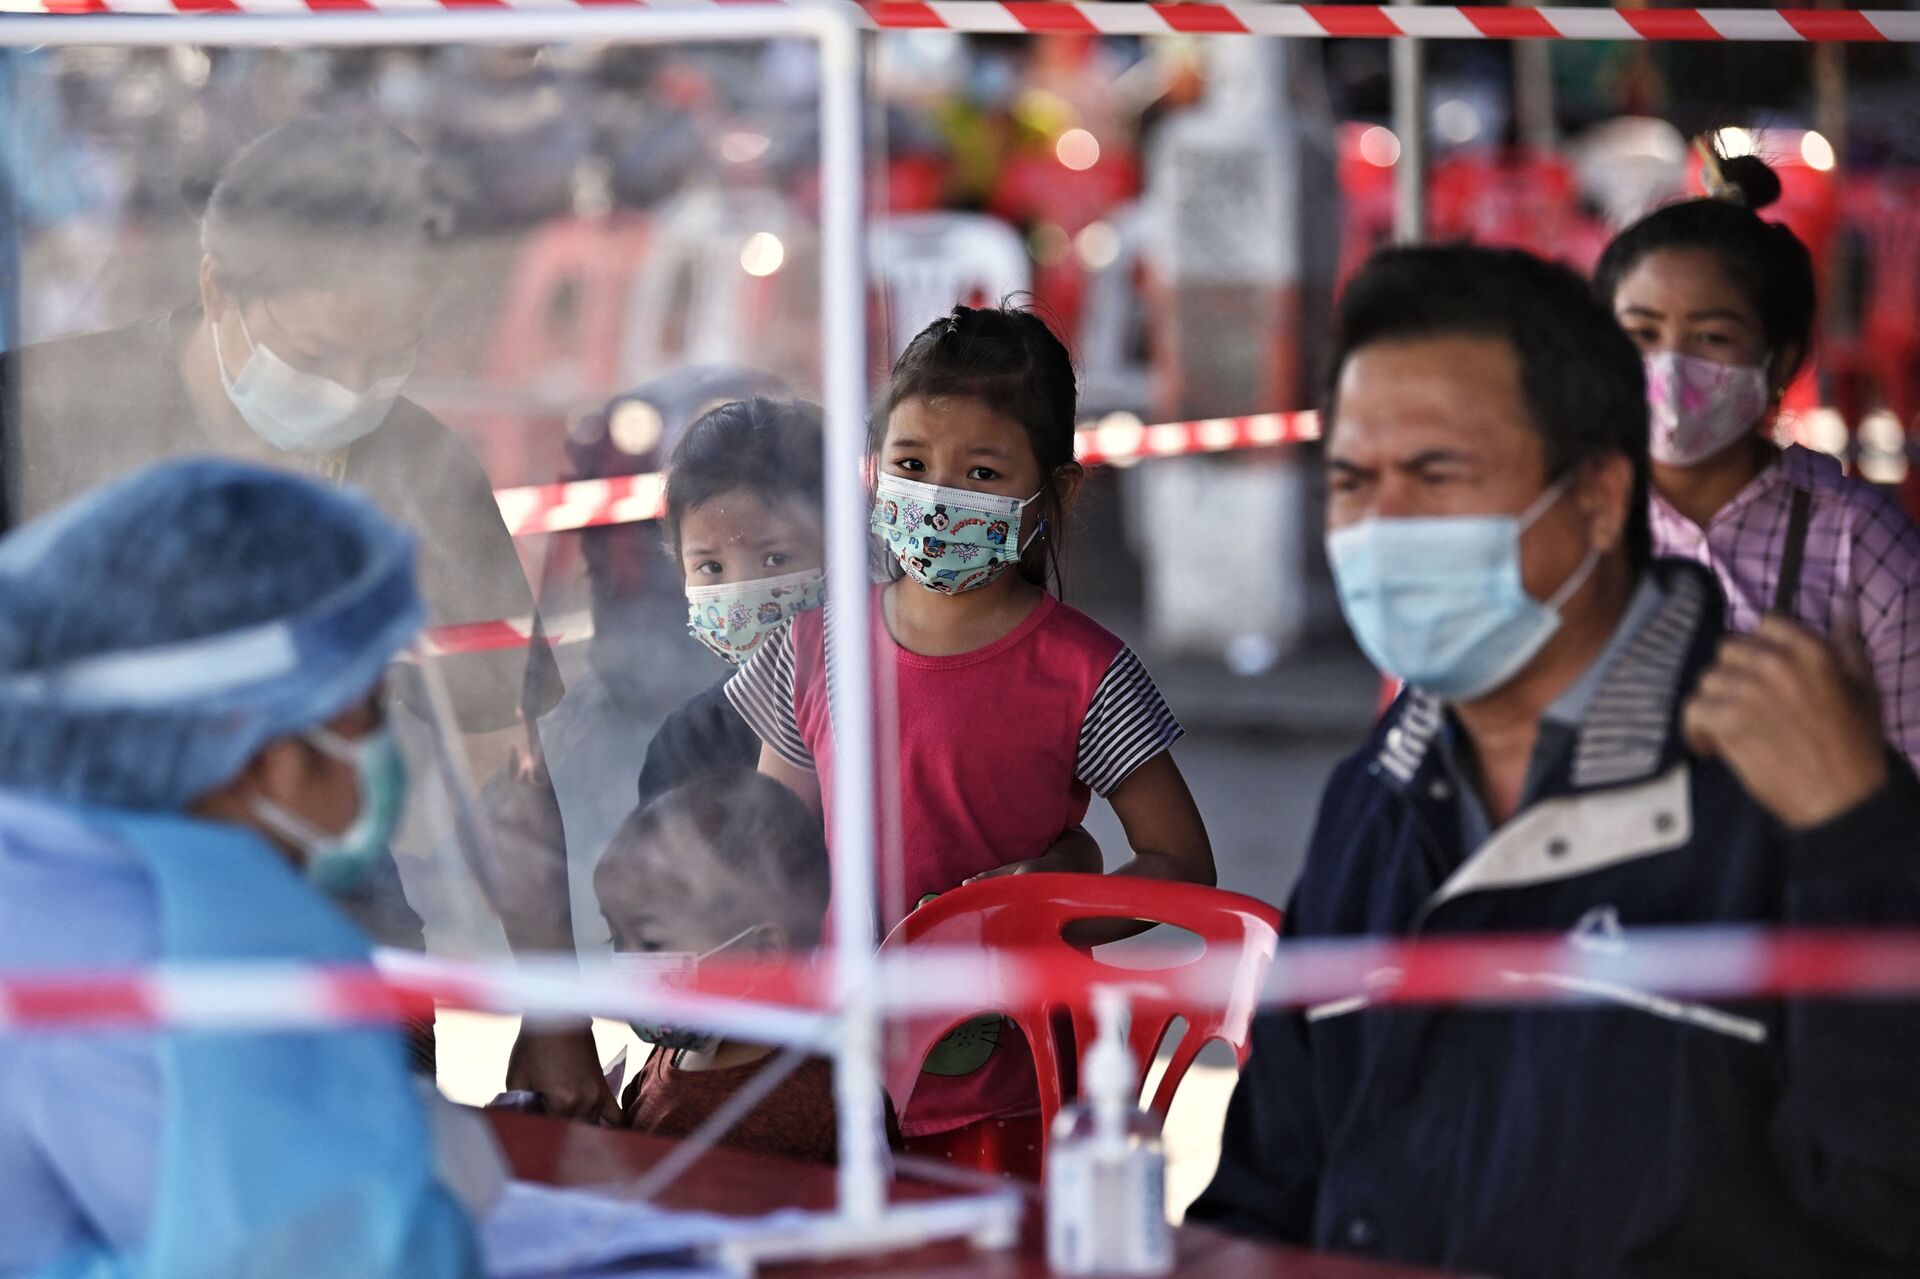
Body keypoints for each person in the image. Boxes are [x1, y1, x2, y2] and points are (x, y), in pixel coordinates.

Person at [1187, 245, 1920, 1277]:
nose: (1382, 526)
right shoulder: (1377, 796)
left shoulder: (1794, 789)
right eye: (1353, 481)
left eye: (1437, 473)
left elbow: (1885, 1205)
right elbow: (1266, 1191)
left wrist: (1863, 850)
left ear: (1595, 497)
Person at [727, 303, 1214, 1177]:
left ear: (1053, 493)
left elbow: (1182, 863)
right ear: (876, 471)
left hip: (1013, 1083)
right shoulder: (811, 645)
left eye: (982, 471)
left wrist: (1048, 910)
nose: (940, 495)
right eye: (913, 464)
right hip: (834, 1073)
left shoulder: (1085, 671)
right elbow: (772, 851)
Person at [0, 458, 478, 1276]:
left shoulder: (37, 864)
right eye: (367, 713)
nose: (382, 753)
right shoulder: (215, 942)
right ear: (268, 755)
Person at [1595, 148, 1920, 770]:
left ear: (1783, 360)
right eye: (1640, 334)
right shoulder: (1565, 524)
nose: (1669, 367)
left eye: (1712, 337)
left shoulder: (1859, 541)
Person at [593, 768, 899, 1162]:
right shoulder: (670, 1056)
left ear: (761, 953)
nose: (630, 964)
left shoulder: (830, 1106)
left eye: (651, 943)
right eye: (618, 938)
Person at [639, 396, 829, 808]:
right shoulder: (688, 742)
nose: (742, 589)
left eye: (775, 559)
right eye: (710, 566)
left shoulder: (876, 703)